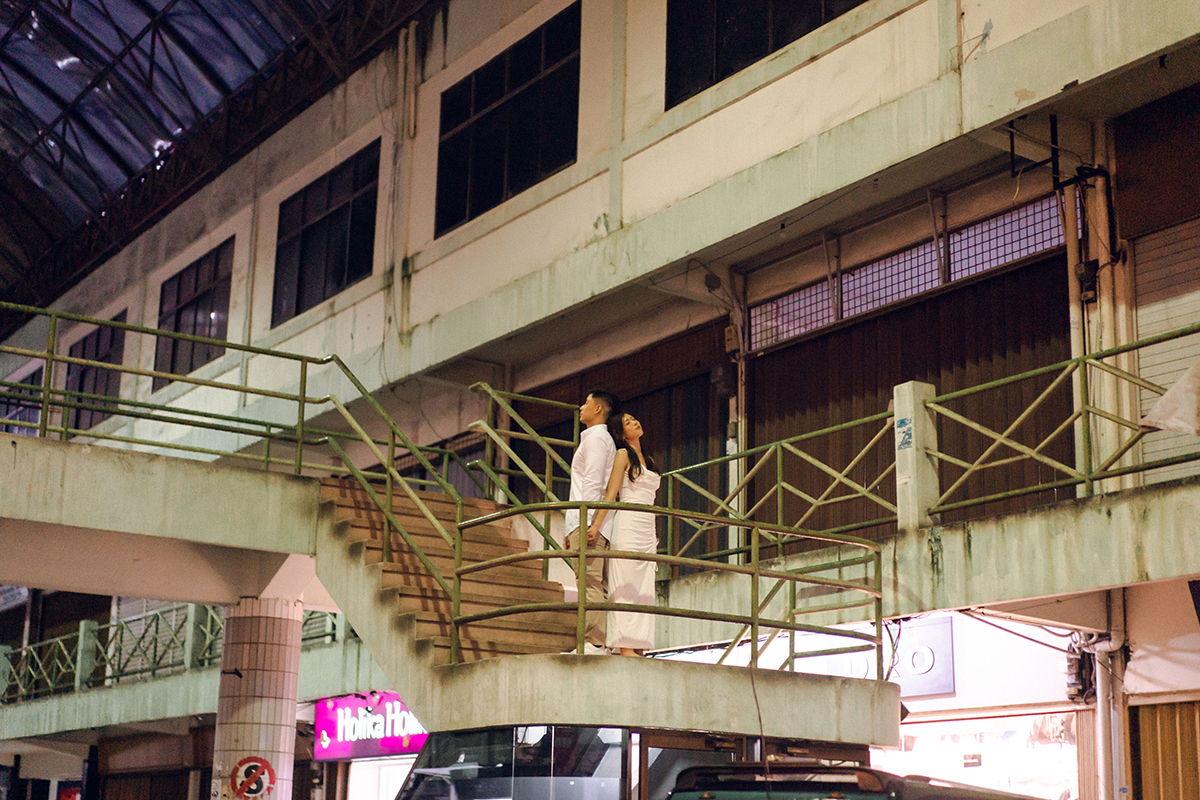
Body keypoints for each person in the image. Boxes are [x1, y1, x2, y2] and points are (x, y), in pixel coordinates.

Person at [587, 411, 660, 656]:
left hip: (648, 527)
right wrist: (596, 525)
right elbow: (611, 494)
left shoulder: (648, 458)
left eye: (634, 419)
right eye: (627, 422)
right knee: (626, 585)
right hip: (628, 524)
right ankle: (625, 644)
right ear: (621, 432)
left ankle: (641, 645)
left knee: (645, 589)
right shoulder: (622, 454)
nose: (634, 422)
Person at [564, 389, 621, 653]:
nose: (581, 407)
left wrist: (589, 522)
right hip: (582, 520)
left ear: (598, 409)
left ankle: (595, 641)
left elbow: (593, 483)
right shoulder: (593, 438)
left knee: (591, 582)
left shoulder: (598, 438)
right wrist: (570, 527)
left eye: (585, 402)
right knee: (587, 581)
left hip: (589, 521)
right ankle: (595, 641)